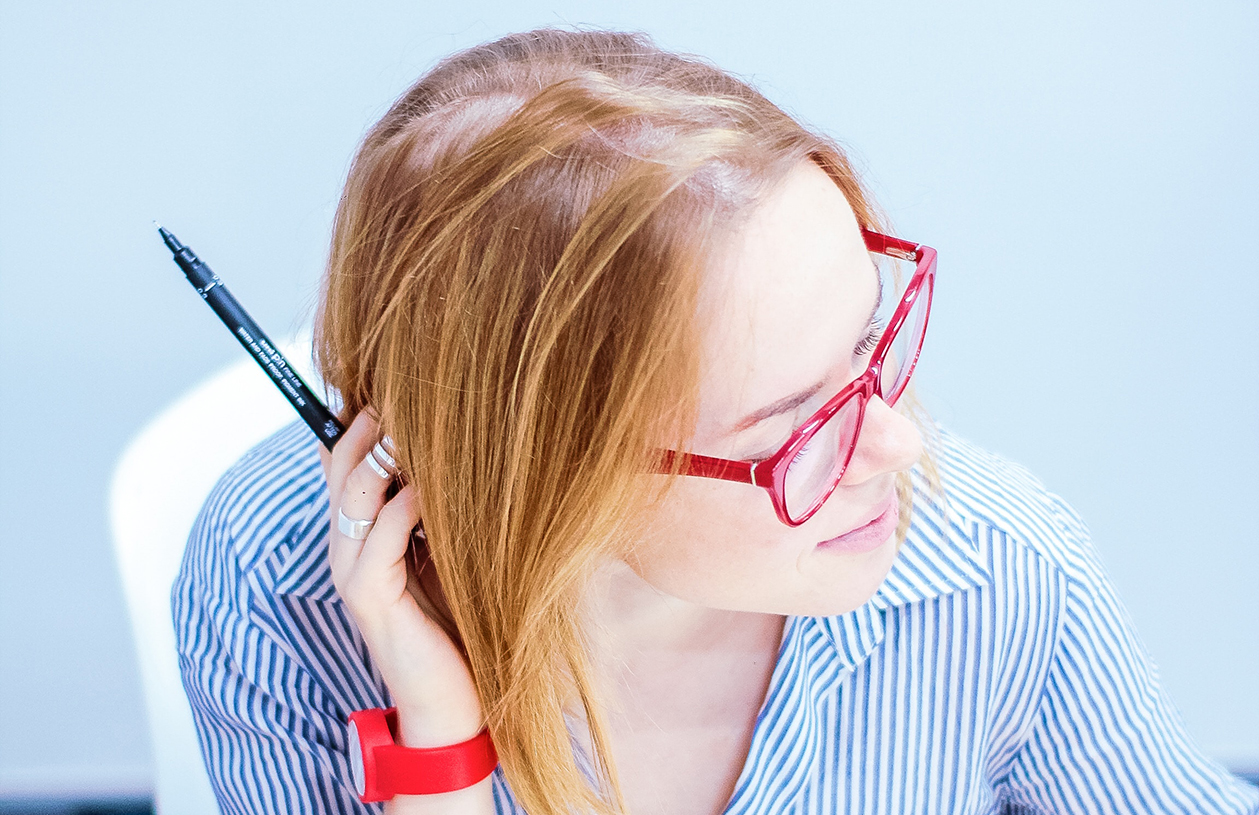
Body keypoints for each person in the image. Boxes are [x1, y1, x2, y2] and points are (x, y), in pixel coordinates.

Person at [173, 27, 1259, 815]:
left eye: (864, 345)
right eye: (792, 424)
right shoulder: (282, 586)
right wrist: (439, 739)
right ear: (552, 465)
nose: (898, 443)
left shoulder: (991, 566)